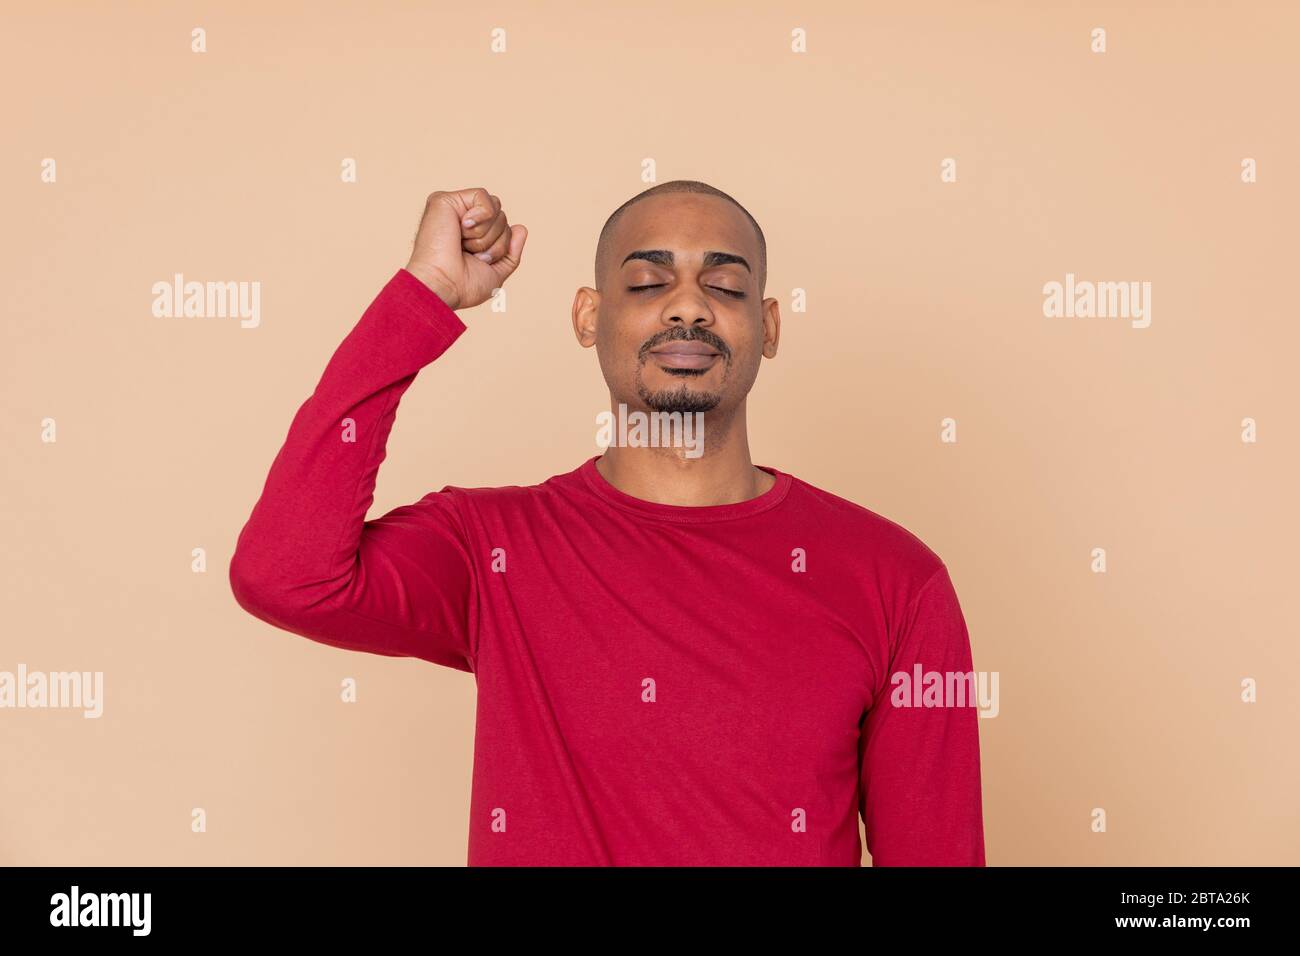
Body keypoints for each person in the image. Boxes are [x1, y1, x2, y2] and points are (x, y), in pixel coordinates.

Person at [229, 181, 986, 866]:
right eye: (649, 282)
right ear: (589, 318)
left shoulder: (898, 582)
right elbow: (285, 576)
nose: (687, 306)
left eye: (722, 284)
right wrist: (423, 294)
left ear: (769, 326)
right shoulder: (493, 550)